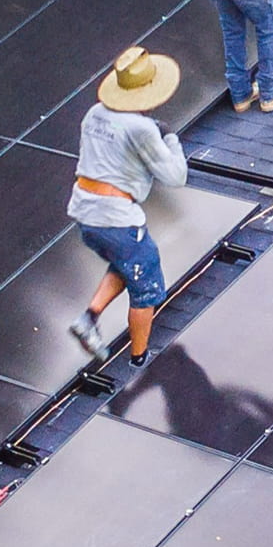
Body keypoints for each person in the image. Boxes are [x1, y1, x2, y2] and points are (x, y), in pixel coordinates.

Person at [68, 46, 188, 368]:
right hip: (116, 218)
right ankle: (139, 359)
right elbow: (175, 177)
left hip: (85, 213)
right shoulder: (142, 129)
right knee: (146, 286)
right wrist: (170, 138)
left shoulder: (95, 113)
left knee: (126, 262)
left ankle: (89, 318)